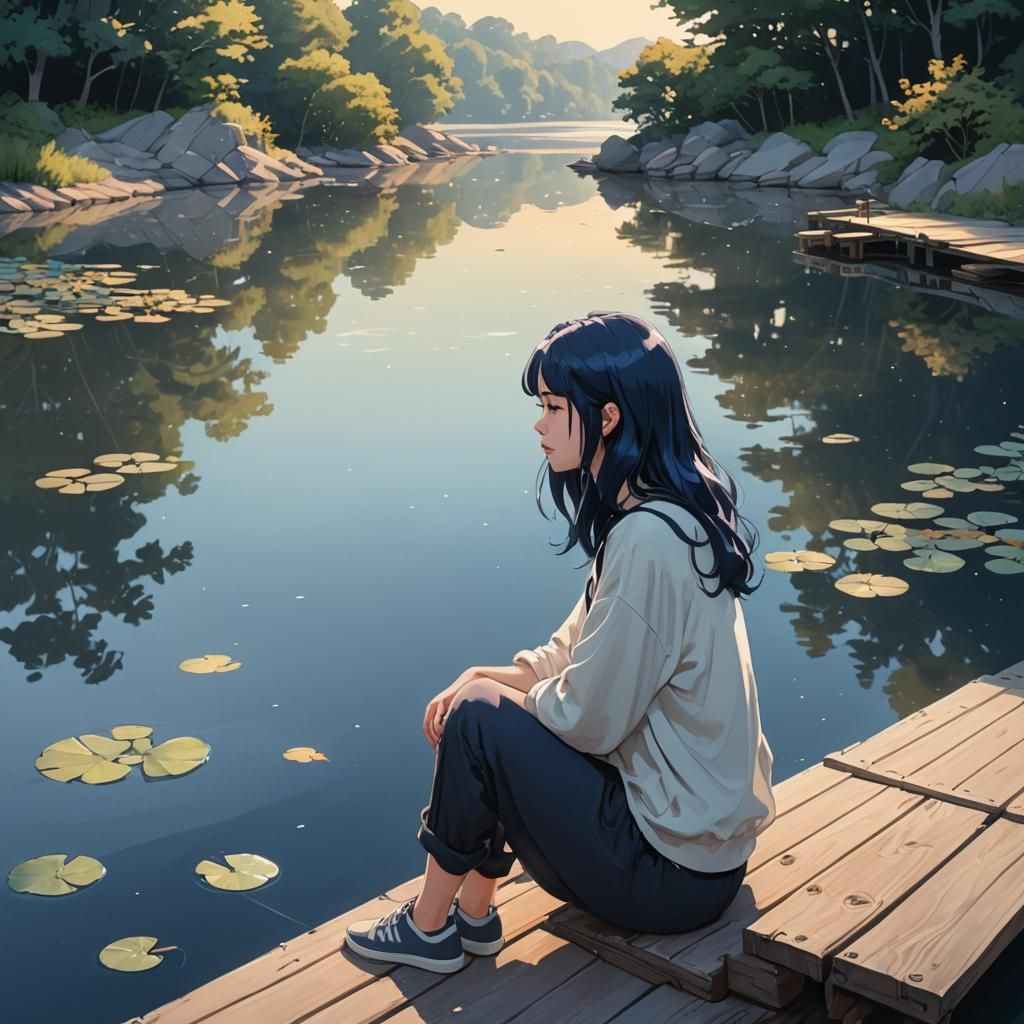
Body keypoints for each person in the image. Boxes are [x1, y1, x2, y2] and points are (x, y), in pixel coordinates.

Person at [344, 311, 777, 974]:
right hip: (699, 859)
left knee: (483, 722)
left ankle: (432, 926)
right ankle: (475, 918)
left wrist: (482, 710)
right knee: (483, 708)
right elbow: (570, 656)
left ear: (606, 417)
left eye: (552, 406)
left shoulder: (649, 541)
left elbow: (588, 719)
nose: (538, 424)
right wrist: (480, 677)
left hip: (668, 878)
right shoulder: (660, 516)